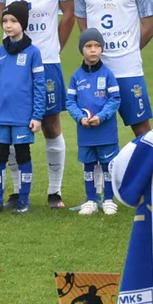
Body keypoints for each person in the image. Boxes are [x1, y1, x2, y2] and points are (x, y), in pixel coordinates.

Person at [0, 0, 76, 211]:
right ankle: (17, 191)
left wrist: (53, 47)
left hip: (48, 59)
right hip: (12, 61)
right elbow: (0, 14)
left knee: (52, 124)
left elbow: (69, 14)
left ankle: (54, 191)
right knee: (14, 123)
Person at [74, 0, 153, 138]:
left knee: (142, 130)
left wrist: (130, 49)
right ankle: (102, 173)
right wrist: (94, 49)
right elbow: (82, 25)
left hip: (128, 70)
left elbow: (150, 26)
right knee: (96, 129)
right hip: (96, 71)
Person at [0, 1, 44, 215]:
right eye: (5, 21)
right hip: (1, 117)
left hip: (22, 118)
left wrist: (37, 116)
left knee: (23, 156)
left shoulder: (33, 53)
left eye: (14, 21)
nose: (8, 25)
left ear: (24, 24)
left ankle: (23, 200)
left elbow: (39, 86)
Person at [66, 28, 122, 216]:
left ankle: (108, 199)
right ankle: (91, 199)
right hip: (86, 131)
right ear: (82, 49)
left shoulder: (107, 75)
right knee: (88, 166)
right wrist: (80, 118)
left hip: (106, 131)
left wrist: (101, 116)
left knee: (108, 166)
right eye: (89, 46)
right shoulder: (76, 77)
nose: (93, 50)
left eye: (97, 46)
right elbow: (70, 102)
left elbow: (115, 99)